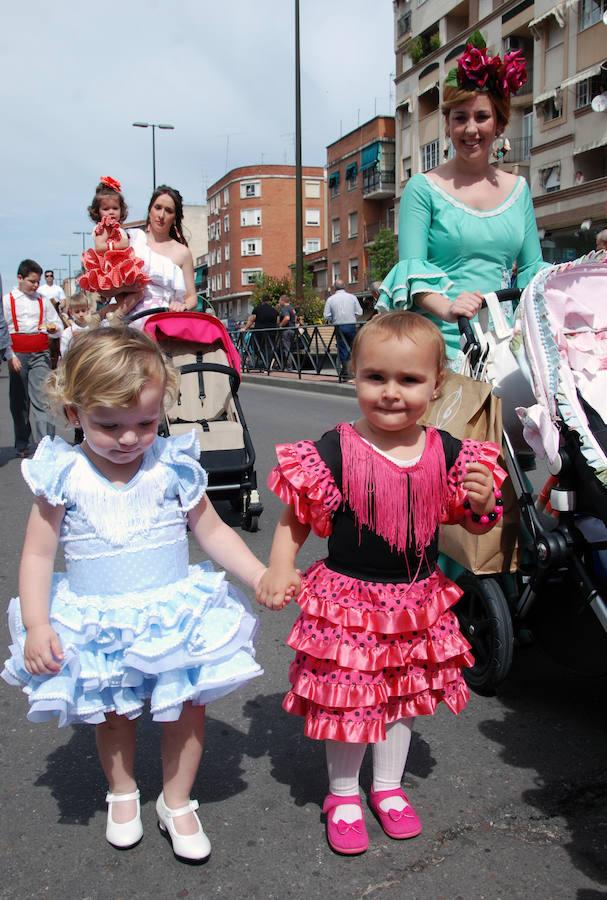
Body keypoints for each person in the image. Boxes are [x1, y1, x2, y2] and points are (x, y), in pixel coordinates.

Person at [1, 327, 268, 862]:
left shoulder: (172, 463)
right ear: (74, 413)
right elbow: (37, 554)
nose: (129, 439)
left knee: (187, 706)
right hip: (97, 619)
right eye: (109, 425)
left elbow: (211, 531)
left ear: (163, 406)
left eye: (145, 423)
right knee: (113, 712)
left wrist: (258, 575)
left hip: (173, 613)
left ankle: (177, 800)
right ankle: (122, 790)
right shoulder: (63, 473)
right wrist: (37, 623)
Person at [256, 311, 507, 855]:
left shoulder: (448, 452)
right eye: (376, 377)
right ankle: (343, 795)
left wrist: (483, 503)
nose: (391, 393)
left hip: (417, 602)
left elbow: (472, 519)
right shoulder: (336, 449)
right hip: (349, 600)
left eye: (409, 380)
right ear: (354, 375)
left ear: (436, 385)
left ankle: (389, 789)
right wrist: (280, 566)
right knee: (350, 700)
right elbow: (296, 517)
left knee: (401, 698)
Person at [378, 32, 545, 367]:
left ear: (498, 123)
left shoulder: (519, 189)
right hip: (442, 349)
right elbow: (412, 272)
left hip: (504, 349)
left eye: (481, 117)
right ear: (447, 125)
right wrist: (449, 309)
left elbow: (531, 270)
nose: (471, 129)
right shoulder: (422, 188)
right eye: (460, 118)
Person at [2, 259, 64, 457]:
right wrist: (10, 355)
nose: (36, 285)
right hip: (17, 354)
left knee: (44, 397)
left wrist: (53, 330)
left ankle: (47, 443)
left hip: (40, 354)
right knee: (19, 401)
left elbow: (57, 326)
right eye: (32, 281)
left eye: (38, 282)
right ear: (20, 278)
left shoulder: (43, 301)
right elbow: (3, 330)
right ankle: (22, 442)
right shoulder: (7, 300)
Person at [126, 185, 198, 326]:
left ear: (175, 217)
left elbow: (192, 297)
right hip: (128, 317)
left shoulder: (182, 252)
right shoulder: (132, 240)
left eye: (169, 211)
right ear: (150, 210)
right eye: (158, 207)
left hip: (164, 322)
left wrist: (181, 306)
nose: (161, 215)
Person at [79, 177, 150, 317]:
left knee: (123, 300)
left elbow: (114, 244)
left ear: (121, 211)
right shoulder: (101, 229)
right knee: (139, 291)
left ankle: (104, 316)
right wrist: (116, 245)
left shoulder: (118, 229)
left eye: (115, 208)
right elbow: (104, 246)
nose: (111, 212)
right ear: (97, 212)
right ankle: (115, 316)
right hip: (111, 270)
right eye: (106, 209)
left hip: (119, 269)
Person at [323, 280, 362, 380]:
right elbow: (360, 312)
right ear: (345, 286)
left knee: (342, 348)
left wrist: (334, 319)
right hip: (351, 325)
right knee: (353, 348)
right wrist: (352, 318)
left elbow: (326, 316)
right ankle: (355, 371)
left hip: (339, 326)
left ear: (334, 288)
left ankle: (346, 372)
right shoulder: (352, 297)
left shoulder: (330, 299)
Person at [244, 296, 279, 370]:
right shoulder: (274, 311)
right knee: (269, 348)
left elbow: (251, 320)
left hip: (259, 332)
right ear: (269, 301)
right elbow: (278, 322)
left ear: (262, 301)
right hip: (272, 332)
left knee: (257, 348)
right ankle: (268, 363)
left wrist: (244, 328)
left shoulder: (257, 309)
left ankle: (264, 364)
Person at [59, 293, 91, 357]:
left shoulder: (93, 328)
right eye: (77, 312)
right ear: (71, 312)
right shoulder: (67, 333)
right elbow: (64, 353)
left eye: (83, 310)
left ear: (88, 310)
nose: (81, 314)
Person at [277, 294, 296, 369]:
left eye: (279, 301)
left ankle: (289, 367)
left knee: (286, 349)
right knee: (289, 348)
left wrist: (280, 325)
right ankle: (288, 365)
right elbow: (295, 317)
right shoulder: (291, 308)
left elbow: (287, 318)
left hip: (286, 330)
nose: (279, 302)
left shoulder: (285, 308)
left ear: (283, 301)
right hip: (292, 329)